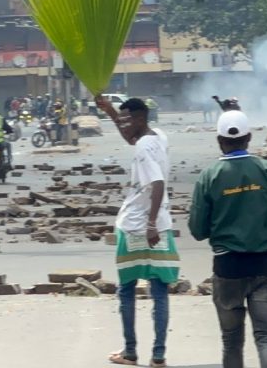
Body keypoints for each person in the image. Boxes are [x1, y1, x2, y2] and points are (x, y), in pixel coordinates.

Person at [189, 110, 267, 368]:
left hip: (228, 268)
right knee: (266, 337)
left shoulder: (209, 176)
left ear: (220, 140)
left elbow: (197, 229)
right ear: (249, 138)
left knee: (231, 341)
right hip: (265, 265)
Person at [95, 96, 177, 368]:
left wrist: (149, 223)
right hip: (161, 225)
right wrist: (110, 112)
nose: (123, 124)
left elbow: (157, 183)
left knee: (127, 290)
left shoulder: (142, 148)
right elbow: (130, 137)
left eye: (127, 119)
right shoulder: (158, 137)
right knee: (160, 291)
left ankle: (130, 351)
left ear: (140, 119)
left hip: (136, 226)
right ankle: (159, 356)